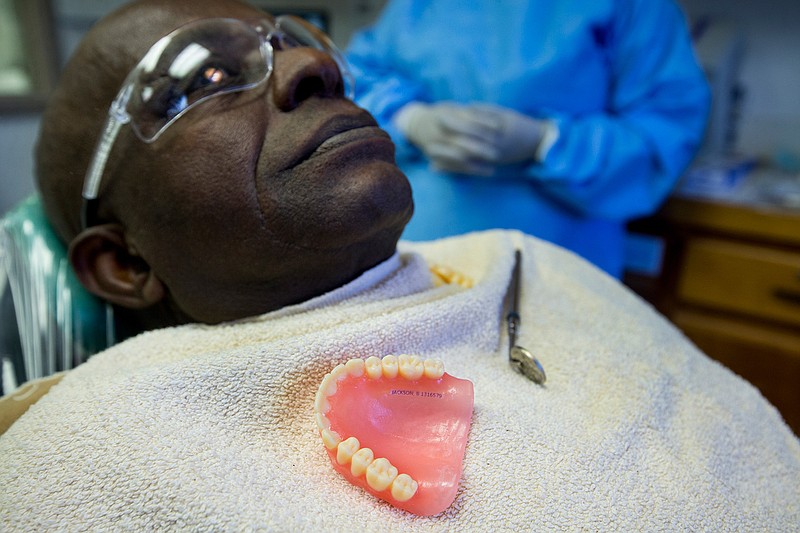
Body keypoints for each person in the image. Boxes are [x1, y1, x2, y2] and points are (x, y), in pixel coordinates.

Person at [0, 0, 798, 530]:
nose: (321, 69)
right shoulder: (82, 455)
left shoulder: (532, 268)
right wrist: (414, 114)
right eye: (204, 77)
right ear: (122, 263)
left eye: (299, 40)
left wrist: (550, 142)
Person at [346, 0, 711, 277]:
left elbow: (665, 130)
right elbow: (357, 77)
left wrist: (543, 142)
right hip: (416, 254)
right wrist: (411, 120)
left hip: (557, 270)